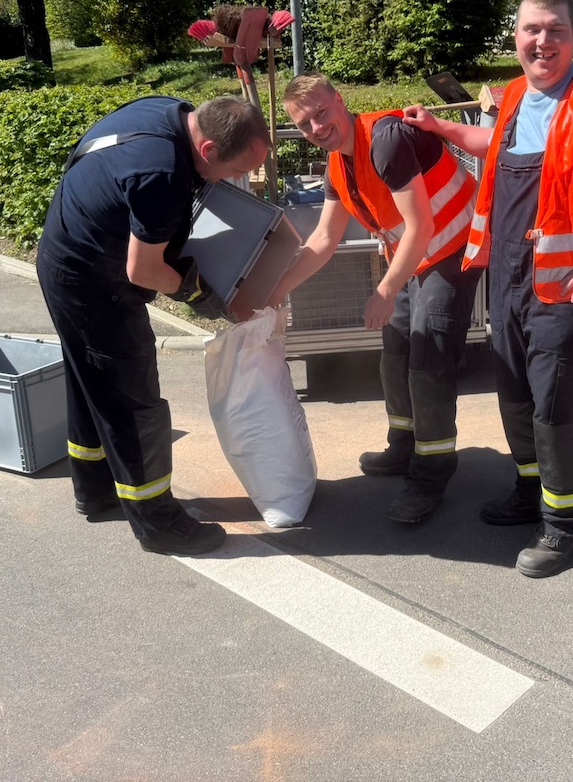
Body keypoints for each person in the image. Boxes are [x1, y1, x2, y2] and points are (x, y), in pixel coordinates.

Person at [402, 0, 573, 577]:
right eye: (532, 29)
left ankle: (564, 523)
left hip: (567, 284)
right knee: (516, 393)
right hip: (508, 276)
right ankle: (531, 491)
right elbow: (494, 147)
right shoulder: (517, 98)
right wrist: (442, 128)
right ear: (516, 36)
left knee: (556, 403)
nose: (542, 40)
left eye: (556, 30)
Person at [37, 94, 270, 557]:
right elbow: (143, 271)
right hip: (94, 281)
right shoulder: (161, 174)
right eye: (233, 171)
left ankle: (97, 490)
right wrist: (196, 292)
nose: (232, 180)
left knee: (92, 384)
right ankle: (159, 523)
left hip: (64, 261)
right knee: (133, 400)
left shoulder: (169, 112)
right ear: (208, 148)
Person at [270, 74, 482, 524]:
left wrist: (384, 291)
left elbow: (421, 226)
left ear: (339, 100)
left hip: (454, 247)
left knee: (428, 358)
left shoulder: (385, 141)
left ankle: (431, 473)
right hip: (416, 257)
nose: (316, 127)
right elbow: (323, 239)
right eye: (304, 124)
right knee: (396, 350)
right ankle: (403, 446)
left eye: (321, 113)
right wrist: (275, 293)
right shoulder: (337, 164)